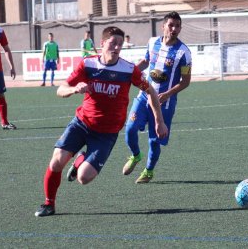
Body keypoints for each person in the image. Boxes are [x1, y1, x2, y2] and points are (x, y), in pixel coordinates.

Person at [35, 26, 168, 217]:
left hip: (106, 133)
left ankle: (81, 159)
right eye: (113, 43)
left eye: (120, 44)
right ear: (102, 44)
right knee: (56, 161)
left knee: (84, 177)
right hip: (82, 123)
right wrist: (74, 89)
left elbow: (151, 92)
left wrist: (159, 121)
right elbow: (61, 89)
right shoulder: (87, 64)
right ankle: (49, 203)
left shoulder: (128, 69)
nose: (116, 47)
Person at [122, 11, 192, 183]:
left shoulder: (183, 53)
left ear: (180, 28)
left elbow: (186, 81)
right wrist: (129, 72)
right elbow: (146, 61)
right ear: (163, 26)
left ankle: (149, 171)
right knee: (130, 129)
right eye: (171, 25)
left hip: (165, 103)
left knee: (155, 140)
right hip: (144, 95)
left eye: (177, 26)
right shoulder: (153, 42)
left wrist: (167, 94)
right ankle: (135, 156)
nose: (174, 29)